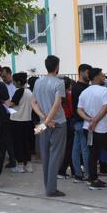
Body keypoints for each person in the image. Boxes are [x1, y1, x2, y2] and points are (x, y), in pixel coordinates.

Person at [77, 68, 107, 192]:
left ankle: (93, 180)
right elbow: (106, 107)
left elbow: (79, 110)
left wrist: (89, 120)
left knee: (93, 155)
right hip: (102, 129)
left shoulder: (85, 92)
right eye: (101, 75)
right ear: (95, 77)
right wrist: (94, 121)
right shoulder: (104, 90)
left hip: (88, 128)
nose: (103, 77)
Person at [30, 55, 68, 197]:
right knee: (56, 155)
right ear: (57, 66)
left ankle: (48, 186)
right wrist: (48, 120)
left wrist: (44, 119)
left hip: (43, 123)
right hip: (57, 123)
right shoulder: (59, 83)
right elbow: (57, 104)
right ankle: (51, 189)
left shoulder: (38, 82)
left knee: (45, 155)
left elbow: (33, 102)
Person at [9, 72, 34, 173]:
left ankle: (19, 165)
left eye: (14, 81)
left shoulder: (19, 91)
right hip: (27, 120)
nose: (13, 83)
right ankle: (28, 164)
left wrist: (4, 101)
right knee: (26, 143)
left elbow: (11, 104)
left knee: (17, 144)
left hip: (16, 120)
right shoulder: (30, 92)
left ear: (18, 82)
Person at [71, 64, 92, 182]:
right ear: (83, 72)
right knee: (85, 149)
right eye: (88, 73)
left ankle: (78, 174)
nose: (90, 75)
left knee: (76, 148)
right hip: (83, 121)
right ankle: (89, 174)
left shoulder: (76, 86)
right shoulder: (81, 88)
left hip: (77, 121)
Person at [57, 77, 76, 179]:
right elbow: (72, 110)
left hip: (58, 122)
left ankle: (71, 170)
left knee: (63, 148)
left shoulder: (56, 96)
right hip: (68, 122)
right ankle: (63, 170)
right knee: (70, 148)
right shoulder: (68, 96)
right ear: (69, 86)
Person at [0, 66, 17, 169]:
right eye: (2, 77)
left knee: (16, 138)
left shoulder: (17, 85)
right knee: (7, 138)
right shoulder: (1, 86)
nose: (3, 79)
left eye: (5, 76)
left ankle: (19, 158)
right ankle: (12, 158)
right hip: (5, 114)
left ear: (10, 74)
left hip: (16, 114)